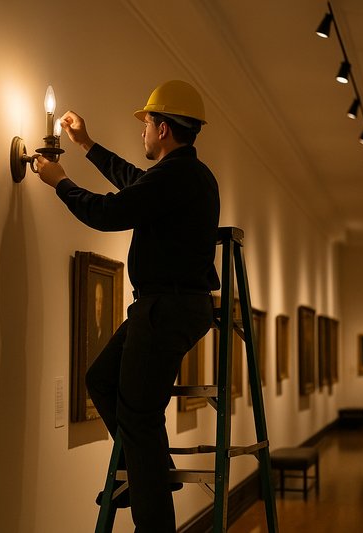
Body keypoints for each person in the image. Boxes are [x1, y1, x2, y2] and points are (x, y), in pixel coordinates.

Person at [36, 80, 220, 532]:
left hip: (166, 307)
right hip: (169, 306)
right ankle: (142, 475)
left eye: (146, 124)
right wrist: (86, 145)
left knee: (138, 415)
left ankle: (150, 512)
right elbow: (134, 182)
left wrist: (60, 183)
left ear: (162, 128)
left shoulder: (176, 177)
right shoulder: (187, 175)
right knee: (100, 378)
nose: (142, 133)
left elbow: (109, 213)